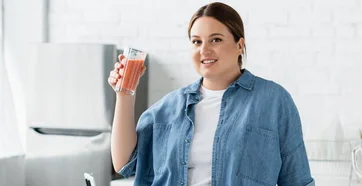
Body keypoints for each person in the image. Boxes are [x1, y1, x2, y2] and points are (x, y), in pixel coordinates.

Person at [109, 2, 315, 186]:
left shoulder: (273, 101)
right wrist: (124, 95)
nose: (204, 50)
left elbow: (298, 179)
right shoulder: (170, 107)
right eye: (196, 42)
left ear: (239, 45)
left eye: (215, 40)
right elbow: (124, 163)